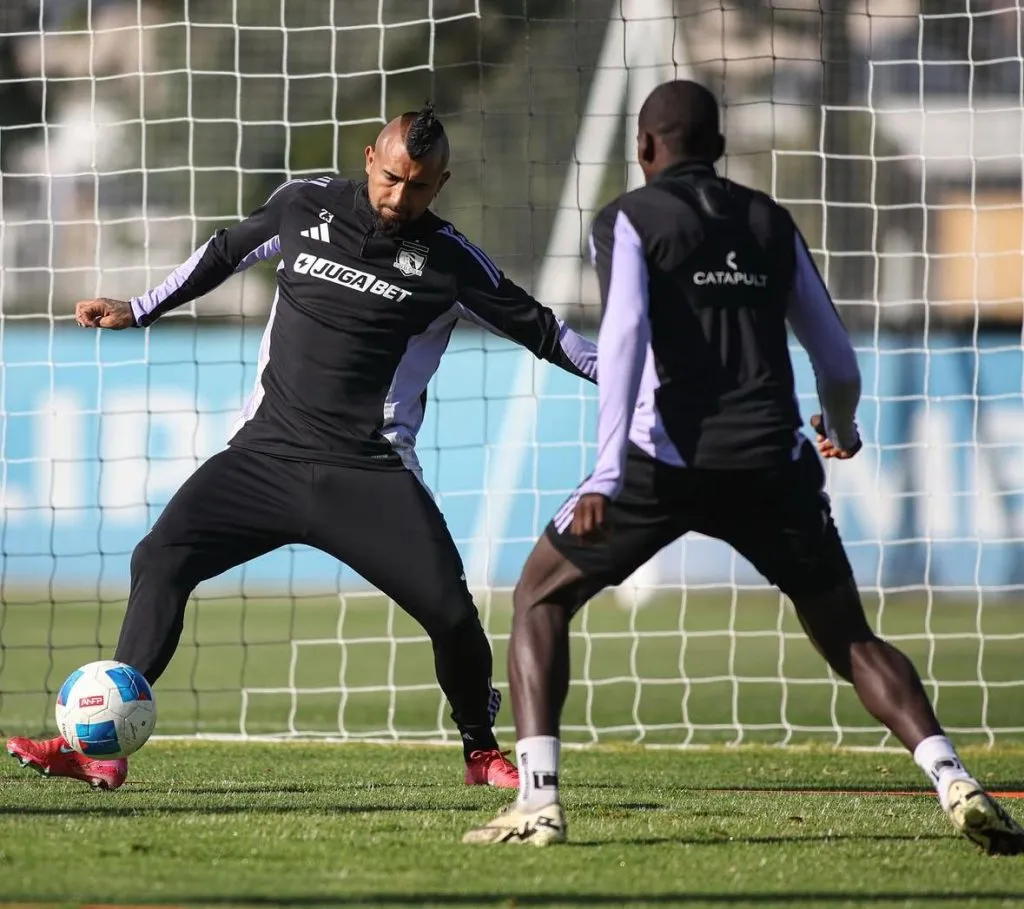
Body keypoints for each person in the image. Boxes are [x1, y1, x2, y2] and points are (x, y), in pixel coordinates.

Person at [463, 80, 1024, 853]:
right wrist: (844, 423)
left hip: (663, 463)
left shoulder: (628, 219)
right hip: (773, 462)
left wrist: (603, 474)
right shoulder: (769, 219)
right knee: (851, 637)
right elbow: (833, 352)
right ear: (720, 148)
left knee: (539, 594)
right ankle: (953, 775)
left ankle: (540, 800)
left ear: (644, 148)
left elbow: (622, 340)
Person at [6, 103, 597, 792]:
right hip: (263, 456)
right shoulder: (305, 206)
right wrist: (141, 308)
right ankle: (100, 747)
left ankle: (480, 750)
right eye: (393, 178)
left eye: (419, 186)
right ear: (371, 159)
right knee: (160, 558)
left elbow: (549, 332)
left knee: (451, 613)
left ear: (441, 185)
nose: (400, 197)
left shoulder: (452, 262)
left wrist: (633, 376)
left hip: (367, 473)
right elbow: (225, 249)